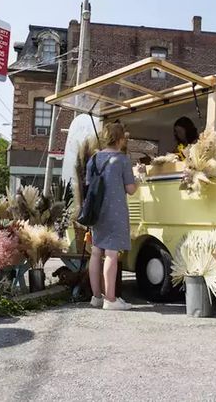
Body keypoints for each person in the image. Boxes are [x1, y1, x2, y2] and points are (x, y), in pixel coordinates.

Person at [87, 123, 137, 311]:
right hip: (115, 211)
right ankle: (111, 299)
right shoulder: (122, 160)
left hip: (96, 211)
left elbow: (88, 184)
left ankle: (96, 297)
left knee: (96, 252)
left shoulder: (93, 159)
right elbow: (131, 189)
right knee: (111, 254)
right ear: (120, 139)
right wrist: (138, 178)